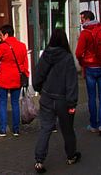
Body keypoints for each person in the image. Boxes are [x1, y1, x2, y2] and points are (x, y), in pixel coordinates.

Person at [33, 28, 80, 174]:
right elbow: (71, 82)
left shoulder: (46, 55)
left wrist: (39, 89)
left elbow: (38, 75)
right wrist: (72, 103)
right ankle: (71, 156)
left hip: (47, 97)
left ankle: (39, 161)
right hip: (63, 100)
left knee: (45, 129)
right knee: (67, 130)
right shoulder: (67, 58)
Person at [75, 10, 101, 136]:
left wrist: (83, 63)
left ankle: (93, 124)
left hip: (91, 68)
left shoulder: (85, 33)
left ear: (87, 19)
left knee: (92, 97)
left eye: (82, 19)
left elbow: (78, 53)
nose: (81, 21)